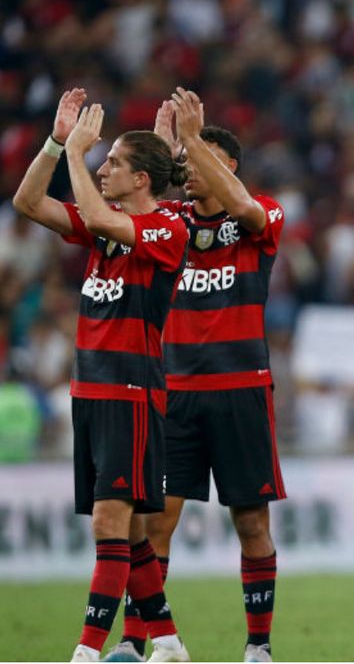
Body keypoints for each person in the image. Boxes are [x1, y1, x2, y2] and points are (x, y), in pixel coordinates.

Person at [104, 89, 287, 663]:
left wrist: (191, 138)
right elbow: (135, 201)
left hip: (242, 391)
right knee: (153, 525)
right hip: (174, 393)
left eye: (192, 163)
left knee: (251, 523)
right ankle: (141, 645)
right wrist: (162, 145)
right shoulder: (172, 222)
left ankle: (258, 648)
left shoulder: (263, 214)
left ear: (225, 165)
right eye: (180, 166)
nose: (183, 173)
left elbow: (245, 207)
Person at [13, 89, 191, 663]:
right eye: (104, 160)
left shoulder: (167, 230)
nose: (103, 167)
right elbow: (27, 202)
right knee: (132, 532)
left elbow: (91, 211)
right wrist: (55, 143)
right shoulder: (106, 230)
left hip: (131, 390)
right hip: (89, 389)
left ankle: (87, 653)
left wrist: (77, 155)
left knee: (111, 523)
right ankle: (166, 643)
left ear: (142, 180)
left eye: (113, 162)